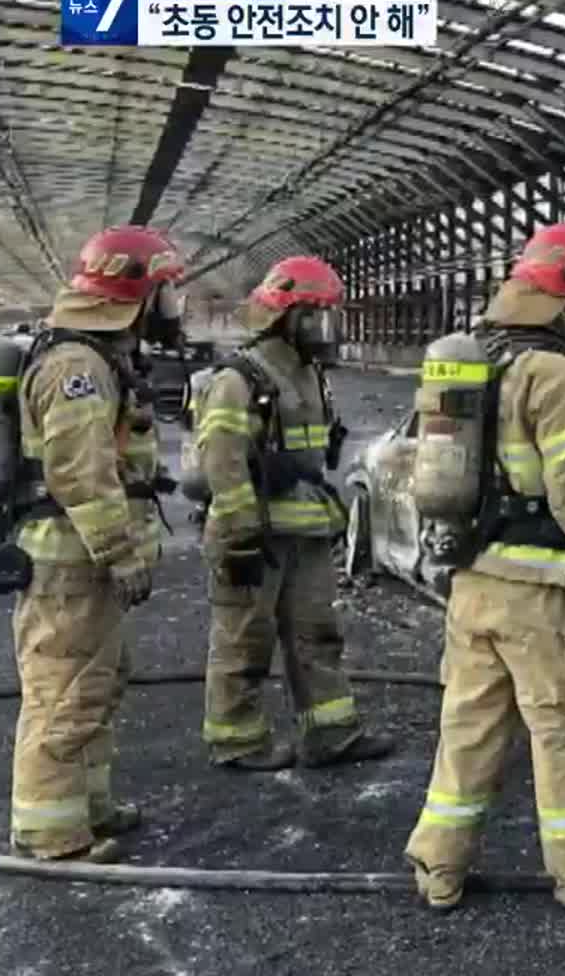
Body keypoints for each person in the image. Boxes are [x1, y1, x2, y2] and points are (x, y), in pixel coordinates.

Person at [403, 223, 565, 912]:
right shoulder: (555, 374)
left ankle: (438, 868)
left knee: (469, 725)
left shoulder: (476, 357)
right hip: (540, 590)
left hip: (473, 581)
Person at [6, 226, 181, 862]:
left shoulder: (96, 356)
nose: (173, 309)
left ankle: (88, 806)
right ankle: (50, 831)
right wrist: (121, 552)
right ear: (137, 292)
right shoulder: (78, 367)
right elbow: (79, 471)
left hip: (80, 556)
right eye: (167, 292)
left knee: (97, 682)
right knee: (65, 691)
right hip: (71, 559)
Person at [193, 256, 394, 771]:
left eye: (331, 316)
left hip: (304, 529)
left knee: (317, 634)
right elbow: (223, 457)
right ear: (286, 315)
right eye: (317, 316)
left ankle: (331, 733)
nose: (327, 329)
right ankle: (237, 738)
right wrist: (239, 536)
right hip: (255, 534)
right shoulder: (241, 378)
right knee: (245, 640)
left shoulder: (311, 375)